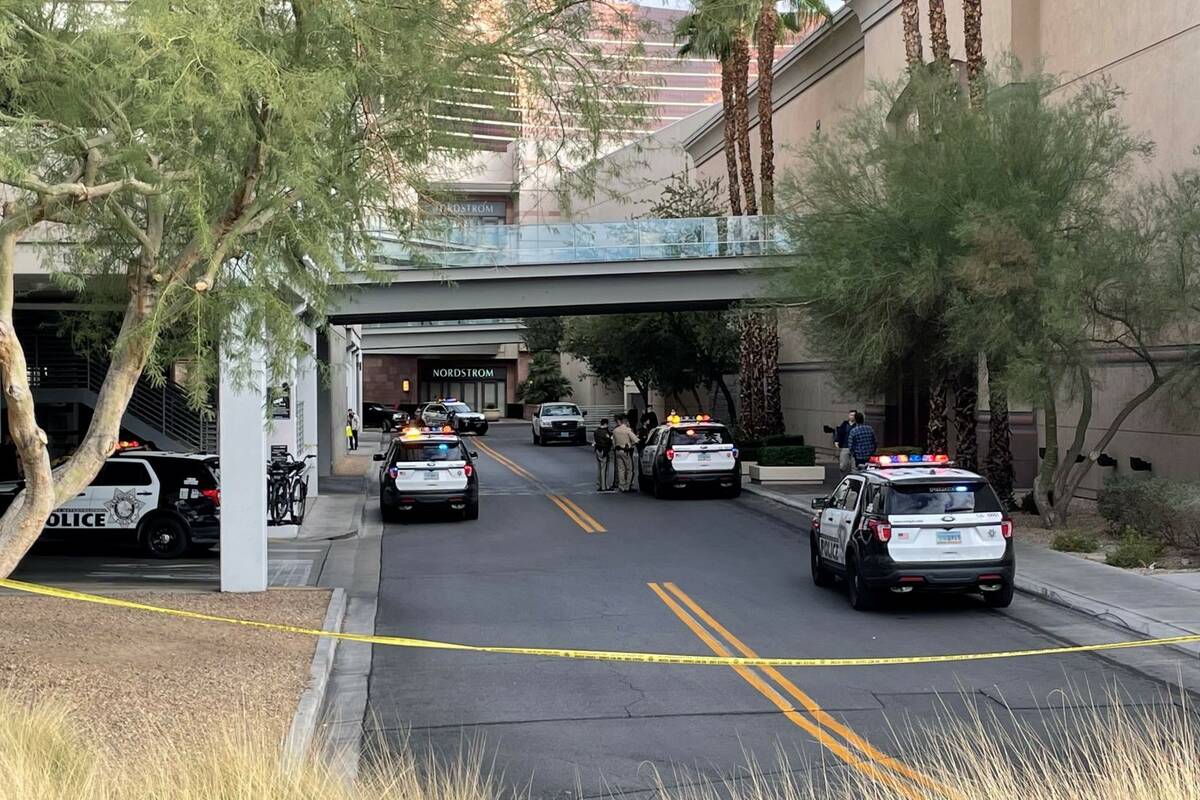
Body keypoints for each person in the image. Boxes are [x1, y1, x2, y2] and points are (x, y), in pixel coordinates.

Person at [612, 415, 640, 492]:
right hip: (626, 451)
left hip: (617, 451)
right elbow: (636, 440)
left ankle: (621, 485)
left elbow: (613, 442)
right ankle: (628, 486)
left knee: (621, 469)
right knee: (629, 469)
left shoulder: (615, 430)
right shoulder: (627, 430)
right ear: (626, 422)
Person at [593, 418, 614, 492]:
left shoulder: (596, 431)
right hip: (603, 451)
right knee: (604, 469)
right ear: (605, 424)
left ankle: (599, 485)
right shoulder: (605, 432)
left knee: (599, 468)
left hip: (597, 450)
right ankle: (604, 486)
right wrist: (611, 438)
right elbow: (608, 441)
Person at [833, 409, 857, 474]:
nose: (852, 416)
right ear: (849, 415)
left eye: (854, 415)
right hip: (845, 446)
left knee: (854, 466)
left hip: (855, 448)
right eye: (851, 415)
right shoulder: (845, 424)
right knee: (843, 465)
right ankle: (842, 478)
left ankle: (853, 480)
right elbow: (839, 433)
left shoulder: (857, 425)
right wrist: (836, 441)